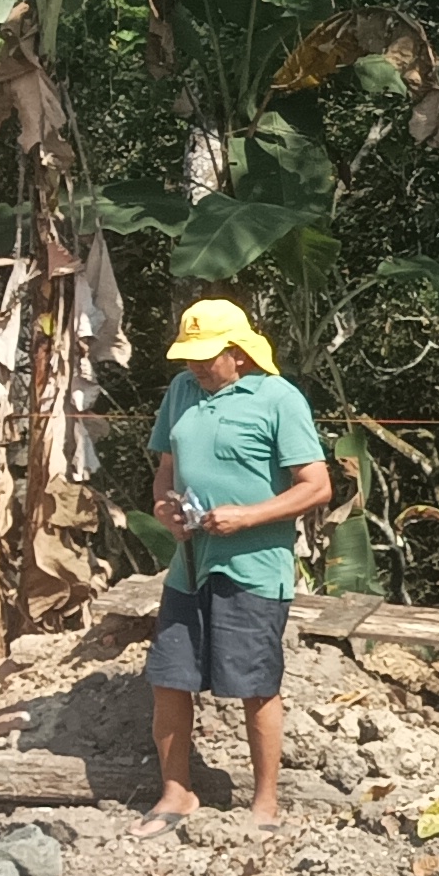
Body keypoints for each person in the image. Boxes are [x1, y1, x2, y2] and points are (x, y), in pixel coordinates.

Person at [145, 299, 333, 823]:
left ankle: (265, 803)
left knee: (255, 684)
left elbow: (317, 486)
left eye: (207, 357)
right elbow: (166, 469)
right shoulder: (182, 391)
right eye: (190, 357)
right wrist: (164, 508)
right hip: (190, 563)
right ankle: (176, 792)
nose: (197, 367)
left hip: (253, 568)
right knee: (169, 676)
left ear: (240, 353)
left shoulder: (278, 399)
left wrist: (248, 517)